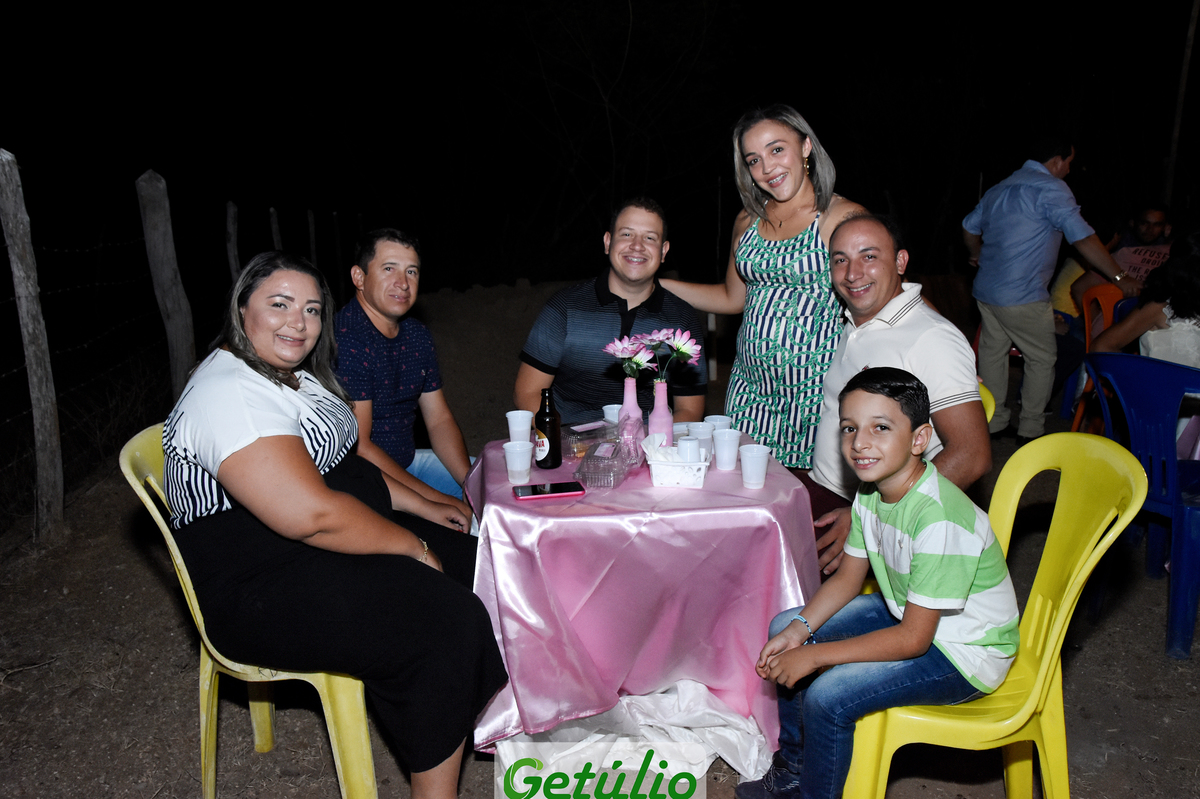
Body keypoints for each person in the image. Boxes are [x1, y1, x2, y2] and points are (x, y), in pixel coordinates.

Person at [162, 252, 507, 799]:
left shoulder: (291, 373)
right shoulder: (230, 393)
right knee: (443, 620)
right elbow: (312, 515)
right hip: (258, 580)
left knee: (492, 567)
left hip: (312, 539)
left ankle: (505, 721)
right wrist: (413, 547)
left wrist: (423, 505)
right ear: (242, 308)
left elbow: (346, 462)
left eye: (312, 309)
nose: (298, 322)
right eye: (280, 304)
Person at [735, 367, 1019, 799]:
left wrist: (814, 656)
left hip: (966, 652)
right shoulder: (870, 493)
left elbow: (913, 641)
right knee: (784, 628)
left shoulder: (940, 518)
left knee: (827, 696)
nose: (859, 443)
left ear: (919, 439)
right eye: (850, 428)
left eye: (880, 428)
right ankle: (794, 770)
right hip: (911, 613)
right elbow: (848, 579)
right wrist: (798, 632)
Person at [659, 104, 863, 470]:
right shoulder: (746, 221)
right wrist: (658, 284)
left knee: (811, 498)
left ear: (805, 147)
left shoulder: (840, 218)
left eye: (777, 150)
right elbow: (731, 298)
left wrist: (937, 343)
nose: (767, 168)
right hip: (751, 391)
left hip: (816, 396)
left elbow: (886, 294)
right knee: (744, 490)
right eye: (754, 160)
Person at [803, 215, 991, 574]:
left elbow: (972, 455)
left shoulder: (931, 338)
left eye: (869, 256)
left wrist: (867, 516)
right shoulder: (858, 321)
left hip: (874, 515)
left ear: (901, 262)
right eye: (840, 259)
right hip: (826, 490)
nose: (852, 273)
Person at [964, 137, 1142, 445]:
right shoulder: (1051, 189)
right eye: (1069, 163)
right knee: (1043, 358)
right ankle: (1031, 428)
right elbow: (1082, 237)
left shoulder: (1000, 188)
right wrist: (1119, 275)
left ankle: (994, 422)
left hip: (987, 292)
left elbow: (969, 227)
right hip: (1022, 295)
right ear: (1057, 160)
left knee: (993, 355)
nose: (1070, 169)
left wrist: (976, 253)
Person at [515, 197, 708, 424]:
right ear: (608, 242)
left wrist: (651, 440)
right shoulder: (564, 307)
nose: (637, 245)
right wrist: (570, 440)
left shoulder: (682, 319)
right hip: (568, 435)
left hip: (646, 439)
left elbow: (689, 410)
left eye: (649, 237)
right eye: (626, 234)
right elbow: (527, 393)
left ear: (663, 251)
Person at [335, 229, 473, 516]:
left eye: (411, 271)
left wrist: (470, 485)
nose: (403, 282)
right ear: (359, 277)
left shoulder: (416, 335)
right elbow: (359, 447)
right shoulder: (347, 339)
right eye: (389, 269)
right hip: (361, 479)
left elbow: (439, 419)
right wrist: (436, 501)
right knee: (456, 519)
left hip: (408, 464)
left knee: (494, 487)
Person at [1070, 203, 1173, 312]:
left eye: (1157, 225)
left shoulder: (1170, 251)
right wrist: (1096, 321)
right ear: (1133, 223)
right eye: (1144, 223)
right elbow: (1079, 287)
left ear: (1165, 227)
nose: (1150, 229)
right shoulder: (1121, 249)